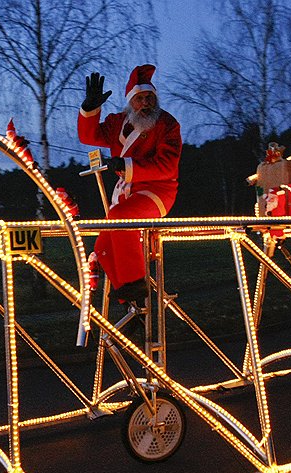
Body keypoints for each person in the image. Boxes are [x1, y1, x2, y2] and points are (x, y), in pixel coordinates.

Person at [78, 64, 182, 304]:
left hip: (159, 192)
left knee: (119, 217)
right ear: (130, 101)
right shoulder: (117, 123)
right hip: (128, 193)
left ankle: (136, 286)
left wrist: (126, 166)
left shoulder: (167, 124)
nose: (145, 103)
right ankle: (130, 304)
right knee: (103, 248)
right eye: (139, 98)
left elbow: (168, 166)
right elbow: (88, 136)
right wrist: (90, 109)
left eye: (150, 98)